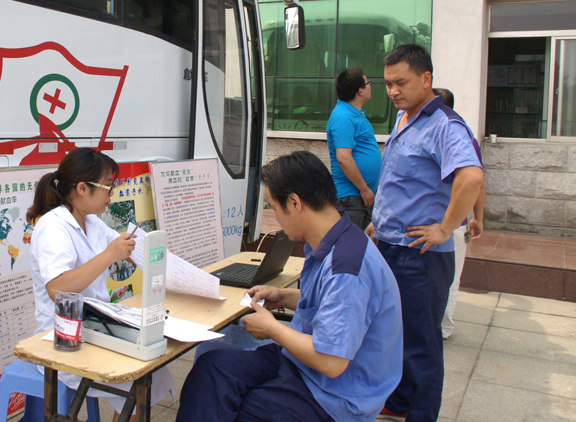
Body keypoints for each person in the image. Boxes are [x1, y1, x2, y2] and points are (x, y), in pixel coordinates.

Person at [176, 151, 403, 422]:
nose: (274, 216)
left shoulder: (346, 267)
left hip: (334, 395)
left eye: (273, 206)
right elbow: (332, 306)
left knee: (236, 408)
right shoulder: (336, 237)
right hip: (302, 365)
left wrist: (271, 327)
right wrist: (284, 296)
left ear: (295, 202)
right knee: (211, 368)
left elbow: (331, 362)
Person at [368, 45, 484, 422]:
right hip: (390, 245)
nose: (393, 91)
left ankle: (421, 413)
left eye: (400, 82)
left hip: (419, 255)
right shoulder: (405, 118)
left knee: (422, 344)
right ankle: (400, 401)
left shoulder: (445, 125)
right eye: (387, 84)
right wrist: (379, 219)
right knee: (395, 333)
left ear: (426, 79)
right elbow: (402, 179)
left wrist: (445, 228)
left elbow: (471, 177)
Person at [27, 148, 174, 421]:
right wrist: (109, 255)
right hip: (65, 336)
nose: (112, 193)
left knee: (151, 369)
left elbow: (126, 244)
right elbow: (57, 288)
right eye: (108, 186)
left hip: (95, 324)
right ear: (82, 188)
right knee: (138, 377)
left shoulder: (91, 222)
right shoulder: (52, 228)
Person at [432, 88, 486, 340]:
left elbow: (475, 181)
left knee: (442, 279)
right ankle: (441, 328)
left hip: (443, 224)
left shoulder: (451, 135)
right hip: (446, 224)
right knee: (450, 278)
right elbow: (479, 184)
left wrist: (476, 218)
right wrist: (478, 218)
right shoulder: (462, 136)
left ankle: (439, 327)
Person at [326, 67, 382, 229]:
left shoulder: (355, 114)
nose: (370, 86)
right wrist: (363, 188)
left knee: (363, 248)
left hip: (362, 197)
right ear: (360, 91)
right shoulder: (343, 117)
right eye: (368, 83)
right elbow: (343, 158)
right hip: (351, 198)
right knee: (349, 248)